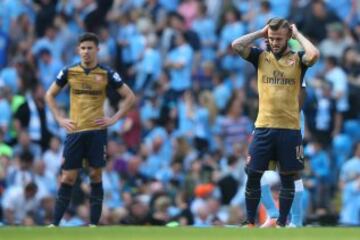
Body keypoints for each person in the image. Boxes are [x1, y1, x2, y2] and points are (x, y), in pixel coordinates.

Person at [231, 17, 319, 227]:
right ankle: (250, 222)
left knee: (289, 177)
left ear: (288, 36)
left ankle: (283, 223)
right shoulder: (260, 57)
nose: (275, 42)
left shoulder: (298, 60)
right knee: (252, 173)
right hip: (263, 126)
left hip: (289, 127)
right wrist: (260, 33)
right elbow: (236, 45)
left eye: (279, 38)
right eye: (272, 38)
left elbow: (314, 54)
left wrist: (297, 34)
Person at [45, 32, 136, 227]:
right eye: (83, 48)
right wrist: (60, 118)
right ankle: (54, 224)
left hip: (96, 132)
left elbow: (130, 97)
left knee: (95, 174)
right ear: (78, 50)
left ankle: (94, 225)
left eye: (90, 48)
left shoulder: (106, 73)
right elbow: (49, 95)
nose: (86, 52)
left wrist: (114, 119)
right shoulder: (69, 71)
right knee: (68, 176)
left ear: (97, 50)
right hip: (75, 131)